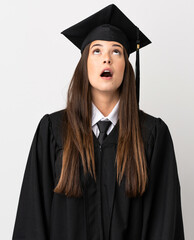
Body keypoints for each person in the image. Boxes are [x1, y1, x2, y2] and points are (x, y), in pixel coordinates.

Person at [12, 4, 184, 240]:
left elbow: (164, 223)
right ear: (84, 64)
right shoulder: (53, 131)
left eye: (116, 52)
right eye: (97, 51)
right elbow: (32, 218)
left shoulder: (152, 134)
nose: (107, 59)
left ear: (126, 65)